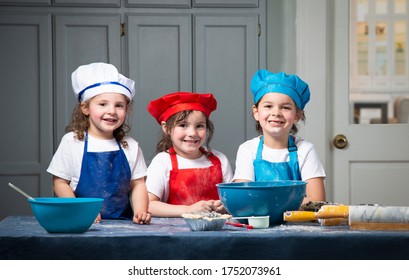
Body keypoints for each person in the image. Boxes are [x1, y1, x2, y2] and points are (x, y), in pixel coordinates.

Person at [47, 62, 151, 224]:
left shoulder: (131, 146)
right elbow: (60, 182)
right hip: (81, 223)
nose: (111, 111)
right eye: (103, 104)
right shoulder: (72, 142)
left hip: (123, 224)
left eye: (119, 105)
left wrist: (140, 211)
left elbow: (138, 184)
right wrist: (81, 210)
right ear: (85, 108)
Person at [233, 69, 326, 204]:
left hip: (299, 224)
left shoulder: (305, 150)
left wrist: (268, 202)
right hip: (259, 224)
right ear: (256, 112)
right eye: (268, 106)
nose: (276, 112)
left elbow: (317, 201)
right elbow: (244, 198)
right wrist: (291, 202)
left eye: (285, 107)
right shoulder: (248, 150)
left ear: (297, 116)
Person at [146, 92, 233, 217]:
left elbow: (233, 201)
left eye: (200, 126)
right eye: (183, 125)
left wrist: (225, 206)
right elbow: (149, 205)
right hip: (174, 233)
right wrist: (188, 210)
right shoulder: (162, 162)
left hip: (218, 233)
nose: (192, 133)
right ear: (166, 128)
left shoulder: (219, 160)